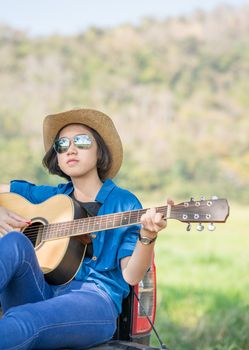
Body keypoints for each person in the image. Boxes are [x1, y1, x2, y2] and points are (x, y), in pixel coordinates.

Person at [0, 108, 169, 350]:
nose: (70, 148)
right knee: (16, 241)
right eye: (62, 144)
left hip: (95, 300)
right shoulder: (54, 196)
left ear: (99, 150)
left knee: (24, 320)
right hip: (44, 291)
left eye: (81, 141)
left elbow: (131, 276)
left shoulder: (124, 203)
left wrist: (148, 236)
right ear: (56, 156)